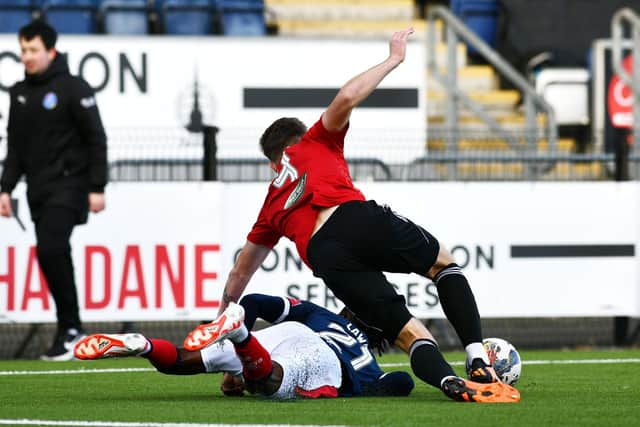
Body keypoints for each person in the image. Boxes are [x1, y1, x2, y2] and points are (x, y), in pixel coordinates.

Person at [185, 28, 520, 403]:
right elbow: (347, 96)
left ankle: (449, 383)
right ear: (296, 141)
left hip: (326, 258)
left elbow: (239, 275)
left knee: (410, 334)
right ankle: (477, 359)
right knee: (444, 265)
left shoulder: (271, 204)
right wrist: (393, 59)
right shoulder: (314, 140)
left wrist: (221, 323)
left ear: (273, 162)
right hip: (351, 218)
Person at [0, 20, 107, 361]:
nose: (26, 56)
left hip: (70, 186)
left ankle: (72, 328)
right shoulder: (18, 93)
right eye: (23, 50)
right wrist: (5, 188)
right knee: (50, 251)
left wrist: (96, 186)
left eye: (33, 50)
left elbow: (96, 137)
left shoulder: (74, 87)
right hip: (39, 191)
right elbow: (15, 148)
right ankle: (69, 329)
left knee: (51, 247)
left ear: (51, 51)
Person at [74, 294, 415, 399]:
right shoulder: (367, 359)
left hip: (286, 333)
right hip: (321, 358)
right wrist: (383, 382)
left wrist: (244, 330)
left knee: (179, 359)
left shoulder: (321, 314)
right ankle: (239, 338)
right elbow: (402, 383)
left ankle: (143, 344)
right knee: (268, 383)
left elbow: (253, 300)